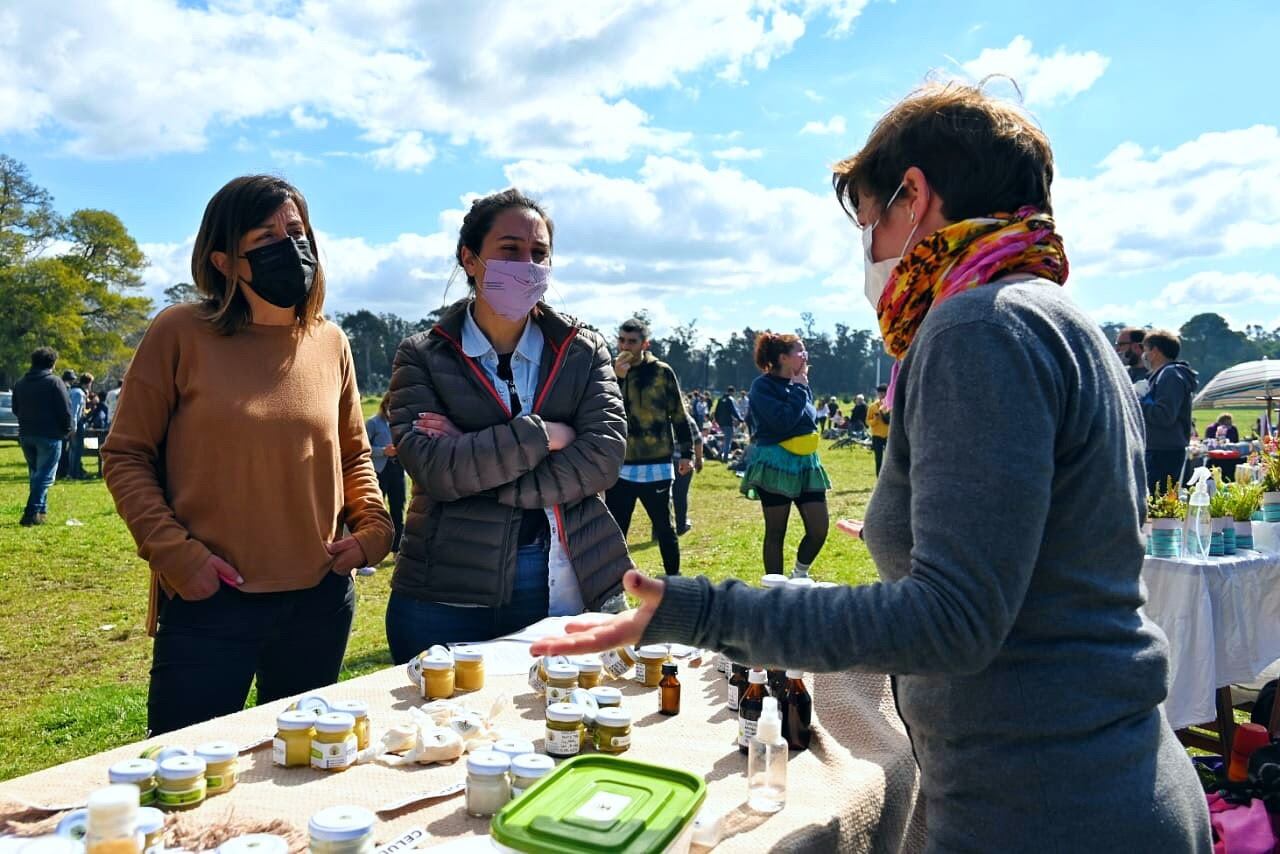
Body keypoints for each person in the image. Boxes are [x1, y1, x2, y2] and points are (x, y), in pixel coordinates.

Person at [532, 83, 1210, 853]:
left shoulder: (978, 326)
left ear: (914, 197)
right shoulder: (1059, 322)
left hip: (1046, 805)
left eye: (868, 219)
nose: (870, 250)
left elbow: (952, 621)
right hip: (1100, 777)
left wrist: (708, 613)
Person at [102, 175, 393, 735]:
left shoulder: (330, 340)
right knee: (185, 778)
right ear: (224, 260)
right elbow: (126, 455)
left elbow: (354, 453)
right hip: (212, 603)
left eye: (297, 229)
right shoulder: (180, 332)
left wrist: (373, 529)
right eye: (266, 236)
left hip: (320, 600)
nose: (291, 245)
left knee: (302, 765)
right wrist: (178, 558)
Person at [384, 188, 630, 662]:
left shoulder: (583, 350)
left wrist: (477, 461)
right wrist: (546, 436)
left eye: (539, 253)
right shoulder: (423, 355)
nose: (528, 265)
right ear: (470, 259)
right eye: (510, 250)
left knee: (551, 722)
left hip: (562, 576)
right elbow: (434, 470)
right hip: (446, 589)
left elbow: (602, 458)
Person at [606, 317, 697, 577]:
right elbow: (608, 410)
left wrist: (687, 453)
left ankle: (674, 582)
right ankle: (612, 585)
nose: (625, 346)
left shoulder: (662, 372)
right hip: (621, 465)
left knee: (665, 529)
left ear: (645, 344)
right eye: (621, 340)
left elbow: (679, 415)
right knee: (616, 531)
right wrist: (618, 379)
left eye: (632, 341)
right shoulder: (610, 373)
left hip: (656, 464)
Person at [740, 332, 830, 578]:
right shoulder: (763, 386)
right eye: (801, 352)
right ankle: (775, 590)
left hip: (806, 464)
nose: (806, 357)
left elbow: (807, 421)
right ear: (784, 358)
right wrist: (799, 390)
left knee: (819, 528)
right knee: (776, 531)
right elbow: (783, 422)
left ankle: (799, 574)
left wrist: (801, 388)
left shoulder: (801, 383)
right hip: (775, 462)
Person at [12, 347, 72, 526]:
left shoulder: (21, 382)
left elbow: (16, 408)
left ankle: (41, 512)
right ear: (52, 363)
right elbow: (65, 409)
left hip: (26, 433)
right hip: (50, 434)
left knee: (36, 474)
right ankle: (31, 512)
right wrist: (66, 428)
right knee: (45, 476)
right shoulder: (54, 382)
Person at [1140, 329, 1198, 497]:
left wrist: (1136, 403)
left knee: (1160, 505)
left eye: (1146, 350)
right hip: (1159, 450)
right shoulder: (1160, 375)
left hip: (1164, 452)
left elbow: (1164, 415)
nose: (1144, 355)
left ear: (1155, 351)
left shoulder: (1170, 375)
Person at [366, 392, 405, 554]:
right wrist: (383, 451)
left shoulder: (401, 423)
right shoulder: (373, 423)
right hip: (379, 472)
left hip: (397, 470)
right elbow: (364, 448)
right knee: (376, 510)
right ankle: (372, 547)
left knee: (398, 508)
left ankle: (397, 548)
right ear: (385, 405)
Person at [68, 372, 94, 479]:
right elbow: (74, 412)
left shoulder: (73, 390)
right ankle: (75, 473)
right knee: (76, 450)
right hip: (77, 425)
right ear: (88, 383)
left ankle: (74, 471)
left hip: (75, 424)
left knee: (73, 450)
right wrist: (73, 428)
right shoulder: (78, 393)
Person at [59, 368, 80, 480]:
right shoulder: (66, 388)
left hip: (59, 421)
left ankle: (62, 470)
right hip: (64, 422)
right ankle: (63, 470)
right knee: (64, 449)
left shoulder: (60, 386)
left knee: (63, 449)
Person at [866, 383, 890, 474]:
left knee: (890, 459)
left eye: (884, 393)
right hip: (877, 436)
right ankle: (878, 477)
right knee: (878, 458)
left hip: (888, 435)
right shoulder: (873, 407)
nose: (882, 395)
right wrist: (875, 419)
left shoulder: (891, 406)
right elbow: (868, 421)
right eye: (880, 393)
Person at [713, 386, 742, 462]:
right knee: (728, 441)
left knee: (726, 440)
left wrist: (718, 422)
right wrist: (740, 419)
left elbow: (716, 412)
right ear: (732, 392)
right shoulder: (730, 400)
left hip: (721, 423)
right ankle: (725, 458)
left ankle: (719, 454)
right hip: (728, 423)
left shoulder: (720, 399)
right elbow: (733, 411)